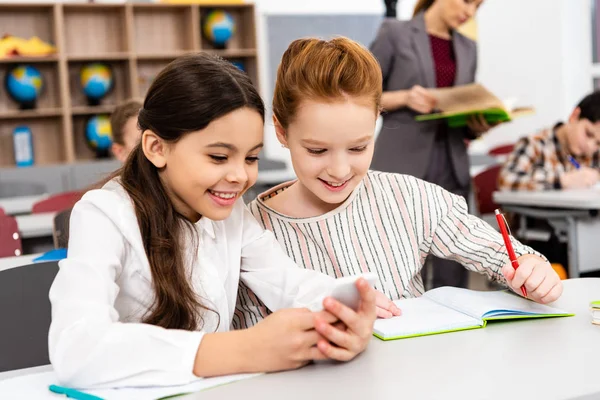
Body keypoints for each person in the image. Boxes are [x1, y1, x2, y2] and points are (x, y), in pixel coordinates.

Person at [48, 54, 382, 389]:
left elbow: (289, 283)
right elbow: (75, 350)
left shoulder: (230, 212)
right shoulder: (103, 214)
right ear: (156, 147)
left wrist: (342, 316)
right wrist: (244, 349)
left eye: (251, 157)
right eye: (218, 157)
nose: (239, 176)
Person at [233, 37, 563, 329]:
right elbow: (255, 340)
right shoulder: (252, 233)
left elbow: (500, 255)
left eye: (358, 147)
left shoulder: (410, 197)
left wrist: (531, 269)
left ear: (376, 120)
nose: (339, 169)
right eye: (317, 150)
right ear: (280, 131)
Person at [369, 0, 493, 289]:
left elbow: (462, 105)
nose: (470, 13)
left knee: (455, 263)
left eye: (478, 7)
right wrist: (404, 98)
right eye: (467, 2)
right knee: (403, 261)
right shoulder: (395, 32)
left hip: (452, 162)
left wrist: (478, 123)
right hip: (402, 163)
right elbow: (361, 94)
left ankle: (457, 331)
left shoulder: (467, 47)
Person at [499, 91, 600, 191]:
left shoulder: (596, 153)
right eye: (588, 134)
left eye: (598, 143)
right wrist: (563, 181)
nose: (589, 145)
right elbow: (505, 182)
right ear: (575, 116)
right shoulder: (534, 144)